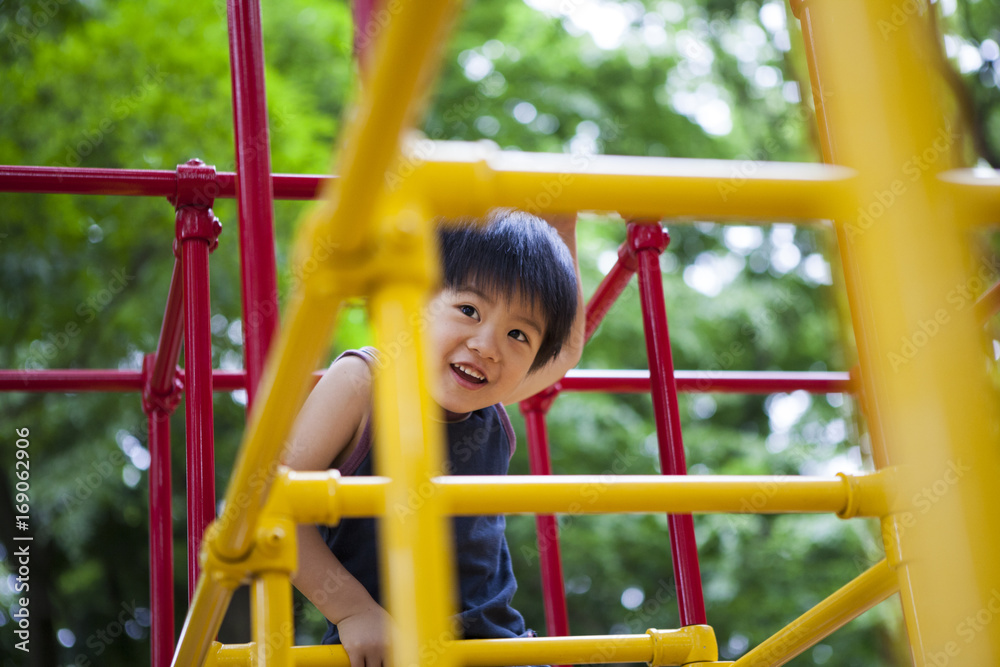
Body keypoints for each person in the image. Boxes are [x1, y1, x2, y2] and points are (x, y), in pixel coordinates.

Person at [285, 208, 584, 667]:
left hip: (495, 649)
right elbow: (272, 504)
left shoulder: (488, 402)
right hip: (385, 646)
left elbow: (564, 350)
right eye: (468, 310)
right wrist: (352, 610)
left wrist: (563, 224)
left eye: (518, 334)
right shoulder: (363, 383)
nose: (487, 345)